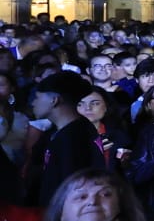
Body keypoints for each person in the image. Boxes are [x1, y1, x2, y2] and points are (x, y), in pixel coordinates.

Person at [28, 70, 107, 209]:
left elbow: (71, 188)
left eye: (37, 97)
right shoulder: (60, 131)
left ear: (54, 100)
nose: (33, 103)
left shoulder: (74, 138)